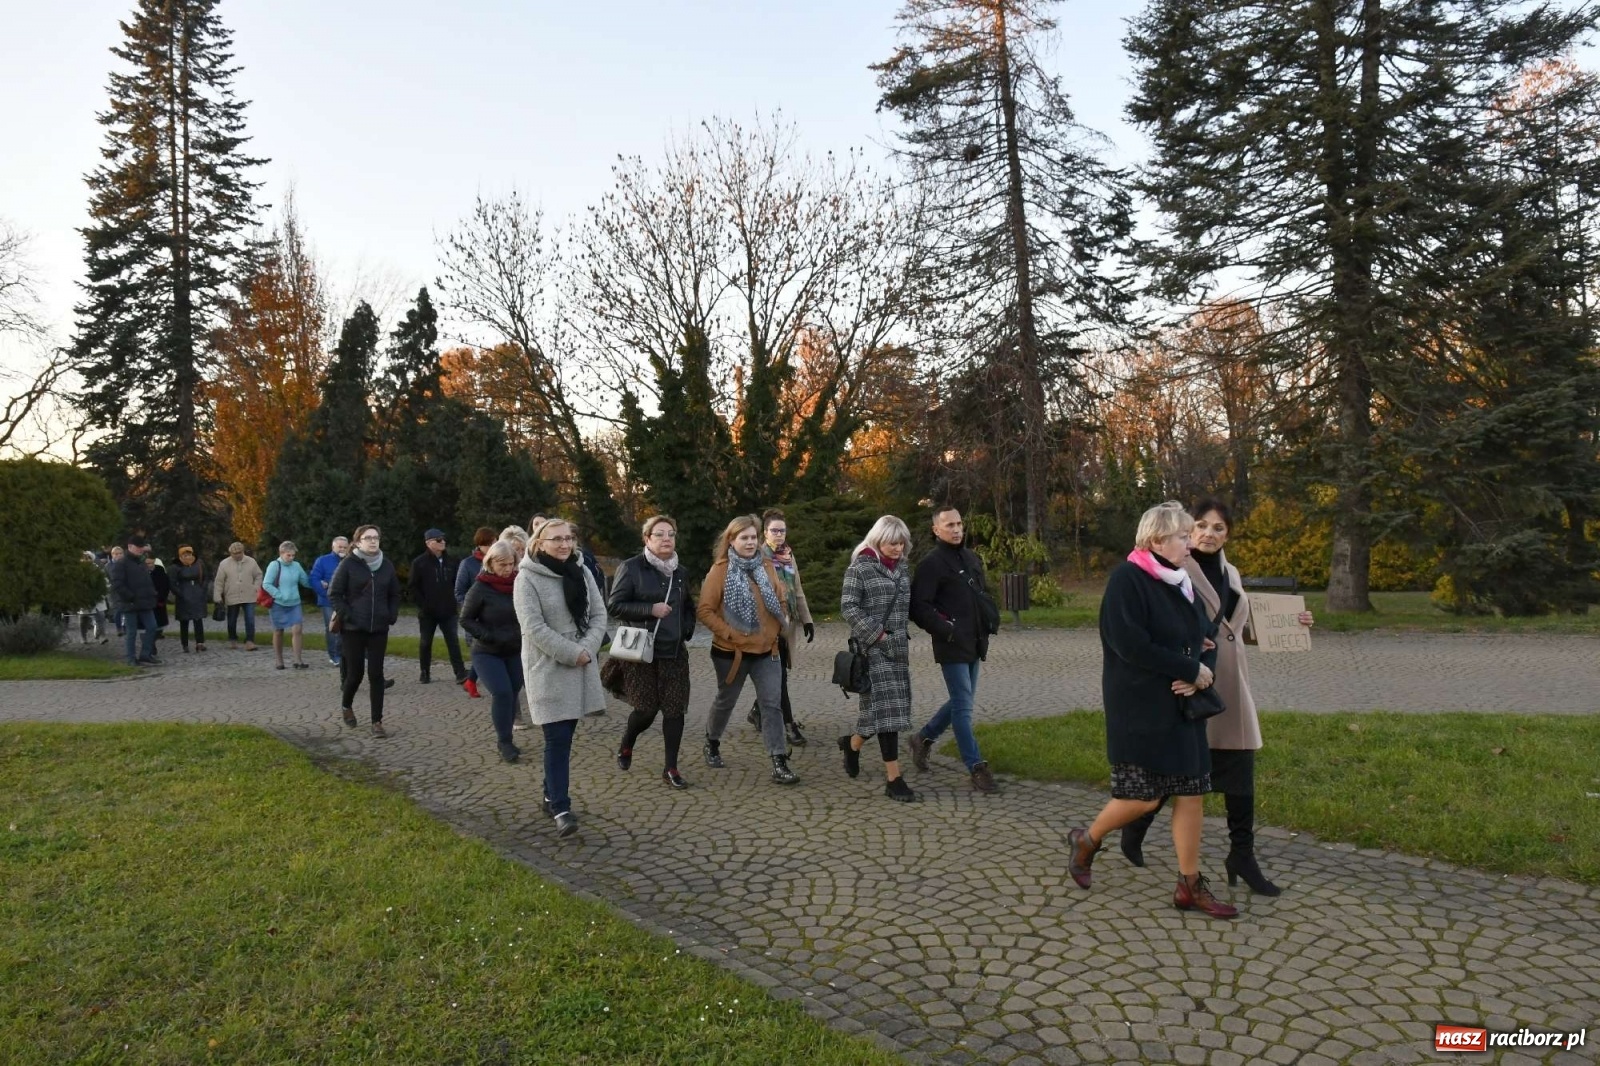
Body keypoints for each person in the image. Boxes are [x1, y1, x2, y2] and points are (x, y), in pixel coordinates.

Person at [1118, 497, 1314, 897]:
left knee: (1241, 771)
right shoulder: (1173, 568)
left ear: (1228, 534)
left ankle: (1242, 855)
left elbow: (1236, 629)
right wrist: (1187, 667)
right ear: (1188, 530)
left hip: (1230, 687)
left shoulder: (1233, 573)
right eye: (1201, 526)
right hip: (1190, 683)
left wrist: (1295, 623)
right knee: (1180, 773)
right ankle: (1134, 829)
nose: (1208, 534)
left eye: (1218, 528)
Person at [1065, 501, 1237, 919]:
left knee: (1192, 793)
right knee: (1143, 798)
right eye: (1182, 537)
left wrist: (1202, 672)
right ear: (1157, 540)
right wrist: (1187, 667)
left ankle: (1189, 885)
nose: (1190, 545)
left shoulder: (1180, 580)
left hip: (1183, 706)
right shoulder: (1128, 579)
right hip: (1141, 705)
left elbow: (1206, 637)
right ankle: (1087, 840)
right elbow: (1130, 644)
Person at [515, 517, 608, 837]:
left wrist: (587, 648)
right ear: (539, 543)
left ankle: (548, 794)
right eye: (556, 539)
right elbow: (533, 628)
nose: (565, 544)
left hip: (581, 663)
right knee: (556, 739)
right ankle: (561, 807)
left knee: (565, 735)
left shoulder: (581, 570)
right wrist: (572, 652)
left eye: (569, 538)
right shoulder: (526, 578)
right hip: (548, 667)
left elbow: (598, 614)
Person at [906, 507, 1000, 794]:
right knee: (963, 705)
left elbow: (980, 594)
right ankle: (976, 766)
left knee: (963, 700)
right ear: (936, 529)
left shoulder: (971, 558)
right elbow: (918, 607)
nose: (956, 529)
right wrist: (946, 629)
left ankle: (923, 738)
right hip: (950, 643)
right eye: (949, 525)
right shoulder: (931, 564)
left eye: (959, 523)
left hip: (974, 641)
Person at [697, 514, 797, 785]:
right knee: (726, 700)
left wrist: (780, 622)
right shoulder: (720, 570)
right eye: (745, 537)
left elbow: (779, 597)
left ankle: (779, 760)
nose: (751, 542)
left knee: (771, 704)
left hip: (768, 650)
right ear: (731, 539)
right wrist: (731, 634)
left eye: (754, 537)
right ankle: (712, 741)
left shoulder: (766, 565)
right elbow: (704, 611)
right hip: (731, 653)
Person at [608, 514, 697, 789]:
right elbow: (615, 605)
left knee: (675, 710)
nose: (666, 539)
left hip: (673, 651)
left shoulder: (680, 572)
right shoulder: (631, 567)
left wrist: (686, 629)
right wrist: (650, 609)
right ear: (647, 538)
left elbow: (689, 606)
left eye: (670, 534)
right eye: (659, 534)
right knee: (646, 710)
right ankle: (627, 742)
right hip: (640, 651)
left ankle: (670, 767)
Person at [838, 516, 919, 802]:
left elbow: (909, 606)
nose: (897, 548)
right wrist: (878, 635)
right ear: (877, 540)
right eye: (891, 543)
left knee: (880, 712)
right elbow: (848, 607)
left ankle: (852, 744)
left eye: (901, 543)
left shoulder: (903, 569)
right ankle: (894, 778)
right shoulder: (860, 567)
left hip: (898, 650)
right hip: (872, 650)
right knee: (888, 715)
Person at [745, 509, 813, 747]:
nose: (779, 534)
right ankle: (788, 724)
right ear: (765, 533)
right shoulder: (758, 556)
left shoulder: (788, 555)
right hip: (768, 626)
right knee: (780, 676)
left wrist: (807, 620)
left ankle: (757, 711)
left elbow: (798, 588)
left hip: (787, 625)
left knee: (777, 674)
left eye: (782, 530)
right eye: (774, 530)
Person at [330, 525, 401, 736]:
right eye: (367, 538)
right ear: (358, 542)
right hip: (353, 628)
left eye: (376, 537)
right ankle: (346, 705)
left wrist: (391, 614)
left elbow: (395, 594)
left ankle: (376, 721)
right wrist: (349, 615)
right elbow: (334, 594)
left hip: (379, 627)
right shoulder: (348, 564)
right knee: (355, 673)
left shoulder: (386, 566)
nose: (372, 541)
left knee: (376, 674)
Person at [460, 540, 525, 763]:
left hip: (515, 649)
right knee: (502, 692)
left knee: (514, 690)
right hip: (487, 651)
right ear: (490, 563)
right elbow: (465, 619)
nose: (507, 569)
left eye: (511, 564)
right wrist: (489, 635)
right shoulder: (480, 587)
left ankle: (508, 738)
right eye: (502, 565)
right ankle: (504, 741)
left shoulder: (519, 584)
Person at [410, 528, 467, 685]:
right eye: (438, 540)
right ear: (428, 543)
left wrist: (455, 601)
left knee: (453, 641)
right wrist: (423, 605)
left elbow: (458, 583)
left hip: (448, 610)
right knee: (425, 642)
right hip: (428, 612)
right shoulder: (419, 563)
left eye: (443, 539)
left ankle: (460, 672)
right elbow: (413, 587)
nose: (443, 542)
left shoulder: (452, 561)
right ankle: (425, 671)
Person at [455, 526, 498, 699]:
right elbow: (459, 591)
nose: (492, 546)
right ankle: (478, 683)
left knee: (491, 649)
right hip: (476, 617)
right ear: (480, 545)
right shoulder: (468, 564)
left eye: (494, 542)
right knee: (481, 649)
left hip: (497, 615)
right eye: (488, 543)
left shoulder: (501, 561)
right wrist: (473, 608)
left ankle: (471, 681)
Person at [263, 541, 314, 670]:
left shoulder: (296, 565)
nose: (291, 558)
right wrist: (279, 595)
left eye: (293, 555)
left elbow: (305, 581)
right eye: (288, 555)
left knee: (297, 629)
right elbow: (266, 584)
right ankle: (279, 661)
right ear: (281, 553)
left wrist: (318, 583)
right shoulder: (274, 565)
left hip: (295, 602)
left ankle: (298, 660)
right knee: (278, 631)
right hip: (278, 603)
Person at [110, 535, 160, 667]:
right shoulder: (122, 563)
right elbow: (117, 584)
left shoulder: (140, 561)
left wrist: (152, 593)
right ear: (130, 547)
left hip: (145, 601)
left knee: (152, 627)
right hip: (130, 603)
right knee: (131, 632)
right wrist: (130, 597)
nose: (140, 550)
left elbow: (146, 581)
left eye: (141, 548)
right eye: (138, 548)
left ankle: (145, 654)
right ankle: (131, 658)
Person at [214, 542, 263, 649]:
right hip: (232, 595)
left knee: (250, 619)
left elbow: (259, 575)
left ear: (243, 551)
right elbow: (219, 582)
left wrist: (256, 587)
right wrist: (217, 596)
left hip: (248, 595)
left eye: (239, 553)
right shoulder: (224, 564)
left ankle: (250, 641)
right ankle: (233, 639)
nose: (237, 555)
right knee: (231, 620)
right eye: (234, 553)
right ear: (230, 553)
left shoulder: (251, 562)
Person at [310, 536, 349, 669]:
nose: (342, 549)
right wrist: (326, 593)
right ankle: (335, 656)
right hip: (328, 601)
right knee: (333, 628)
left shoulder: (351, 560)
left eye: (345, 547)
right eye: (340, 547)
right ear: (333, 547)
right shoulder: (322, 561)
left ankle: (348, 653)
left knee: (349, 628)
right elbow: (314, 579)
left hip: (347, 601)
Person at [170, 545, 208, 652]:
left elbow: (206, 577)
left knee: (198, 619)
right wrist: (180, 593)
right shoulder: (176, 567)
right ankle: (185, 643)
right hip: (183, 595)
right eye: (185, 555)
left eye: (189, 554)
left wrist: (202, 589)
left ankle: (200, 642)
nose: (187, 557)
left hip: (197, 594)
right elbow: (172, 583)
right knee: (184, 621)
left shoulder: (199, 564)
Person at [78, 551, 109, 644]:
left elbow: (105, 582)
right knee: (84, 617)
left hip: (97, 597)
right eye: (84, 558)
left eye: (88, 558)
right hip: (84, 598)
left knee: (101, 616)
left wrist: (101, 592)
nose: (86, 560)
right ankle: (83, 637)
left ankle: (102, 636)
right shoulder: (78, 571)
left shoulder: (97, 570)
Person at [102, 546, 125, 637]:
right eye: (116, 554)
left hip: (124, 590)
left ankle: (126, 627)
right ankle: (119, 628)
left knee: (125, 609)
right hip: (113, 591)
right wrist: (109, 587)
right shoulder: (108, 566)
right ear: (112, 555)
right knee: (117, 610)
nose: (118, 555)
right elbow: (105, 579)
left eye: (120, 553)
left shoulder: (126, 564)